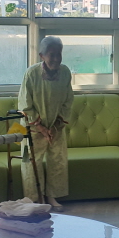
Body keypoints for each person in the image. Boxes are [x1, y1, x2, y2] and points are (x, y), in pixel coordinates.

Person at [18, 36, 73, 211]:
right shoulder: (31, 74)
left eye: (59, 54)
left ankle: (51, 196)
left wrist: (56, 125)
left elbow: (68, 101)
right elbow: (24, 105)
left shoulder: (65, 72)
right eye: (51, 55)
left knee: (57, 160)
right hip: (30, 127)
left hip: (56, 126)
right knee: (29, 162)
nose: (56, 59)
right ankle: (35, 199)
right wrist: (40, 127)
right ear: (42, 56)